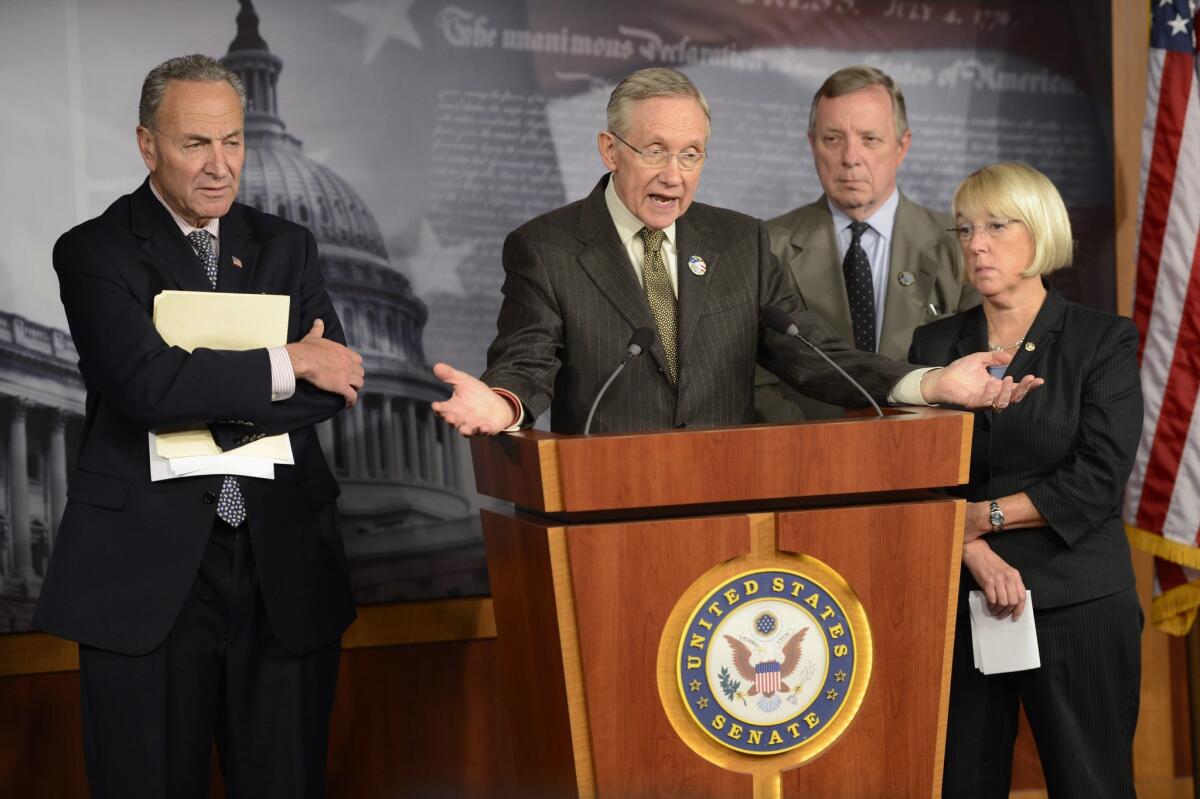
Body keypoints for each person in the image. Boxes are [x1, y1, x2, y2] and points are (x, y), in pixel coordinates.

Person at [33, 55, 364, 797]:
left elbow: (333, 383)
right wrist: (285, 362)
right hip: (145, 577)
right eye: (195, 144)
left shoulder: (289, 245)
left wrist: (206, 385)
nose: (221, 166)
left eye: (234, 141)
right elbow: (145, 386)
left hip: (283, 567)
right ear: (148, 144)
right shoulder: (94, 251)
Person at [431, 68, 1039, 436]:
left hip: (728, 504)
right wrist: (503, 401)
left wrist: (928, 383)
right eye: (655, 150)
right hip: (608, 510)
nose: (675, 174)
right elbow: (527, 360)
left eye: (691, 154)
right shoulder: (548, 247)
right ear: (609, 150)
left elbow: (812, 357)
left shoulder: (740, 242)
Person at [907, 162, 1143, 798]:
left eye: (995, 226)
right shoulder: (934, 347)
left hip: (1078, 601)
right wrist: (971, 551)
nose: (976, 244)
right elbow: (916, 475)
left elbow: (1097, 477)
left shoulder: (1102, 340)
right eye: (964, 229)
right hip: (960, 600)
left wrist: (982, 519)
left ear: (1039, 232)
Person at [756, 65, 979, 422]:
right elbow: (754, 379)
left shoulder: (959, 245)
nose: (850, 157)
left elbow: (976, 368)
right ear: (812, 143)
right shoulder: (765, 246)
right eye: (833, 139)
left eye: (869, 139)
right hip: (805, 458)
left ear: (902, 146)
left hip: (926, 459)